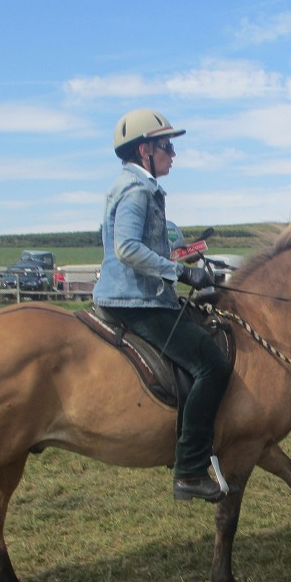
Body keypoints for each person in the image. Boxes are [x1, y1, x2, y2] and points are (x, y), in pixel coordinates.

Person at [92, 109, 231, 503]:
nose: (173, 153)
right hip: (137, 301)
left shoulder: (134, 186)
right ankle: (189, 469)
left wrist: (191, 266)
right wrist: (181, 275)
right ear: (145, 149)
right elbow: (127, 248)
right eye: (167, 145)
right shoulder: (137, 190)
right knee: (212, 365)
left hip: (141, 294)